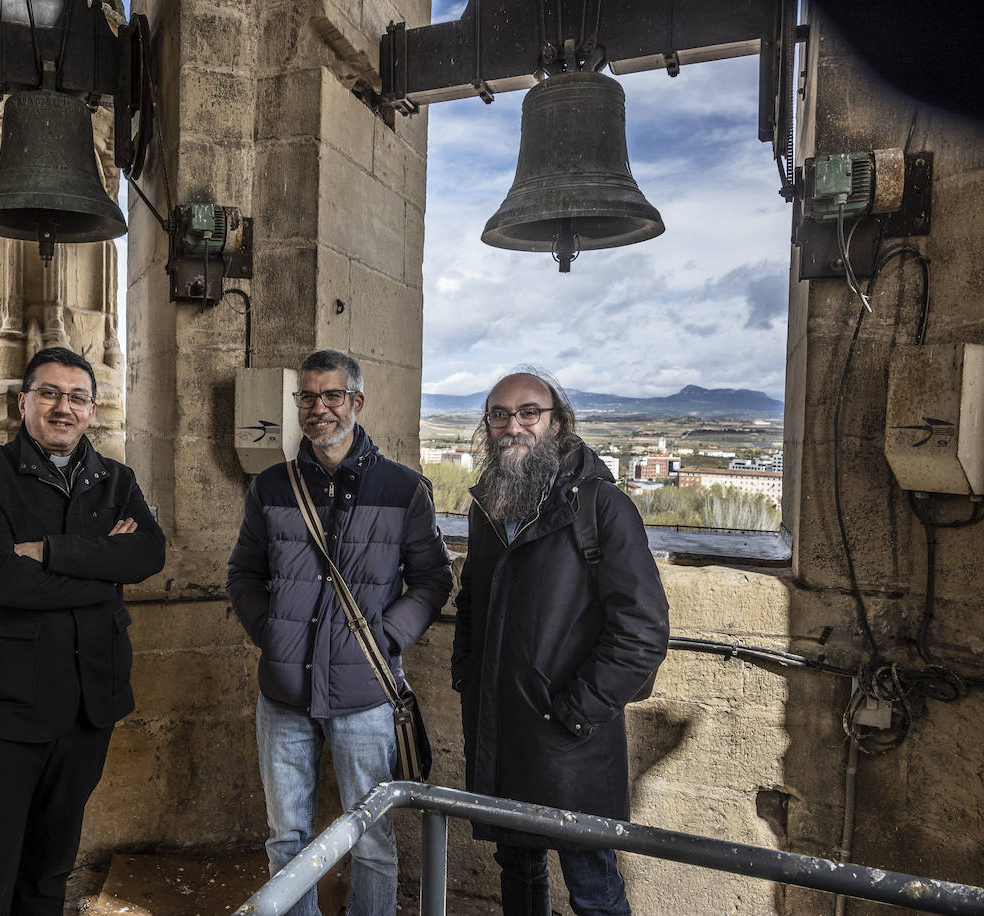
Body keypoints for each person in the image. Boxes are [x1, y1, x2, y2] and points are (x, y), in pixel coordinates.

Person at [227, 348, 453, 916]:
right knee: (286, 837)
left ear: (356, 401)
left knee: (372, 839)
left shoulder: (404, 490)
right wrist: (275, 635)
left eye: (331, 396)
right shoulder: (273, 486)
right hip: (283, 694)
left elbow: (432, 579)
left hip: (365, 697)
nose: (318, 408)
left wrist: (384, 638)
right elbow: (243, 575)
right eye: (307, 397)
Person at [0, 347, 166, 916]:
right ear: (23, 402)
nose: (62, 407)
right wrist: (104, 569)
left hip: (89, 705)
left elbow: (147, 554)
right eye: (48, 393)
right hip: (5, 709)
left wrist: (48, 552)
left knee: (49, 869)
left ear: (92, 411)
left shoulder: (116, 480)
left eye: (77, 397)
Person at [451, 370, 668, 916]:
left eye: (528, 413)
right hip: (503, 729)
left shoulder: (601, 508)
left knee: (593, 883)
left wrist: (575, 713)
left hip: (572, 740)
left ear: (558, 424)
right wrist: (468, 675)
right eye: (498, 415)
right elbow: (473, 599)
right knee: (518, 878)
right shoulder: (489, 507)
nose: (512, 426)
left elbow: (642, 631)